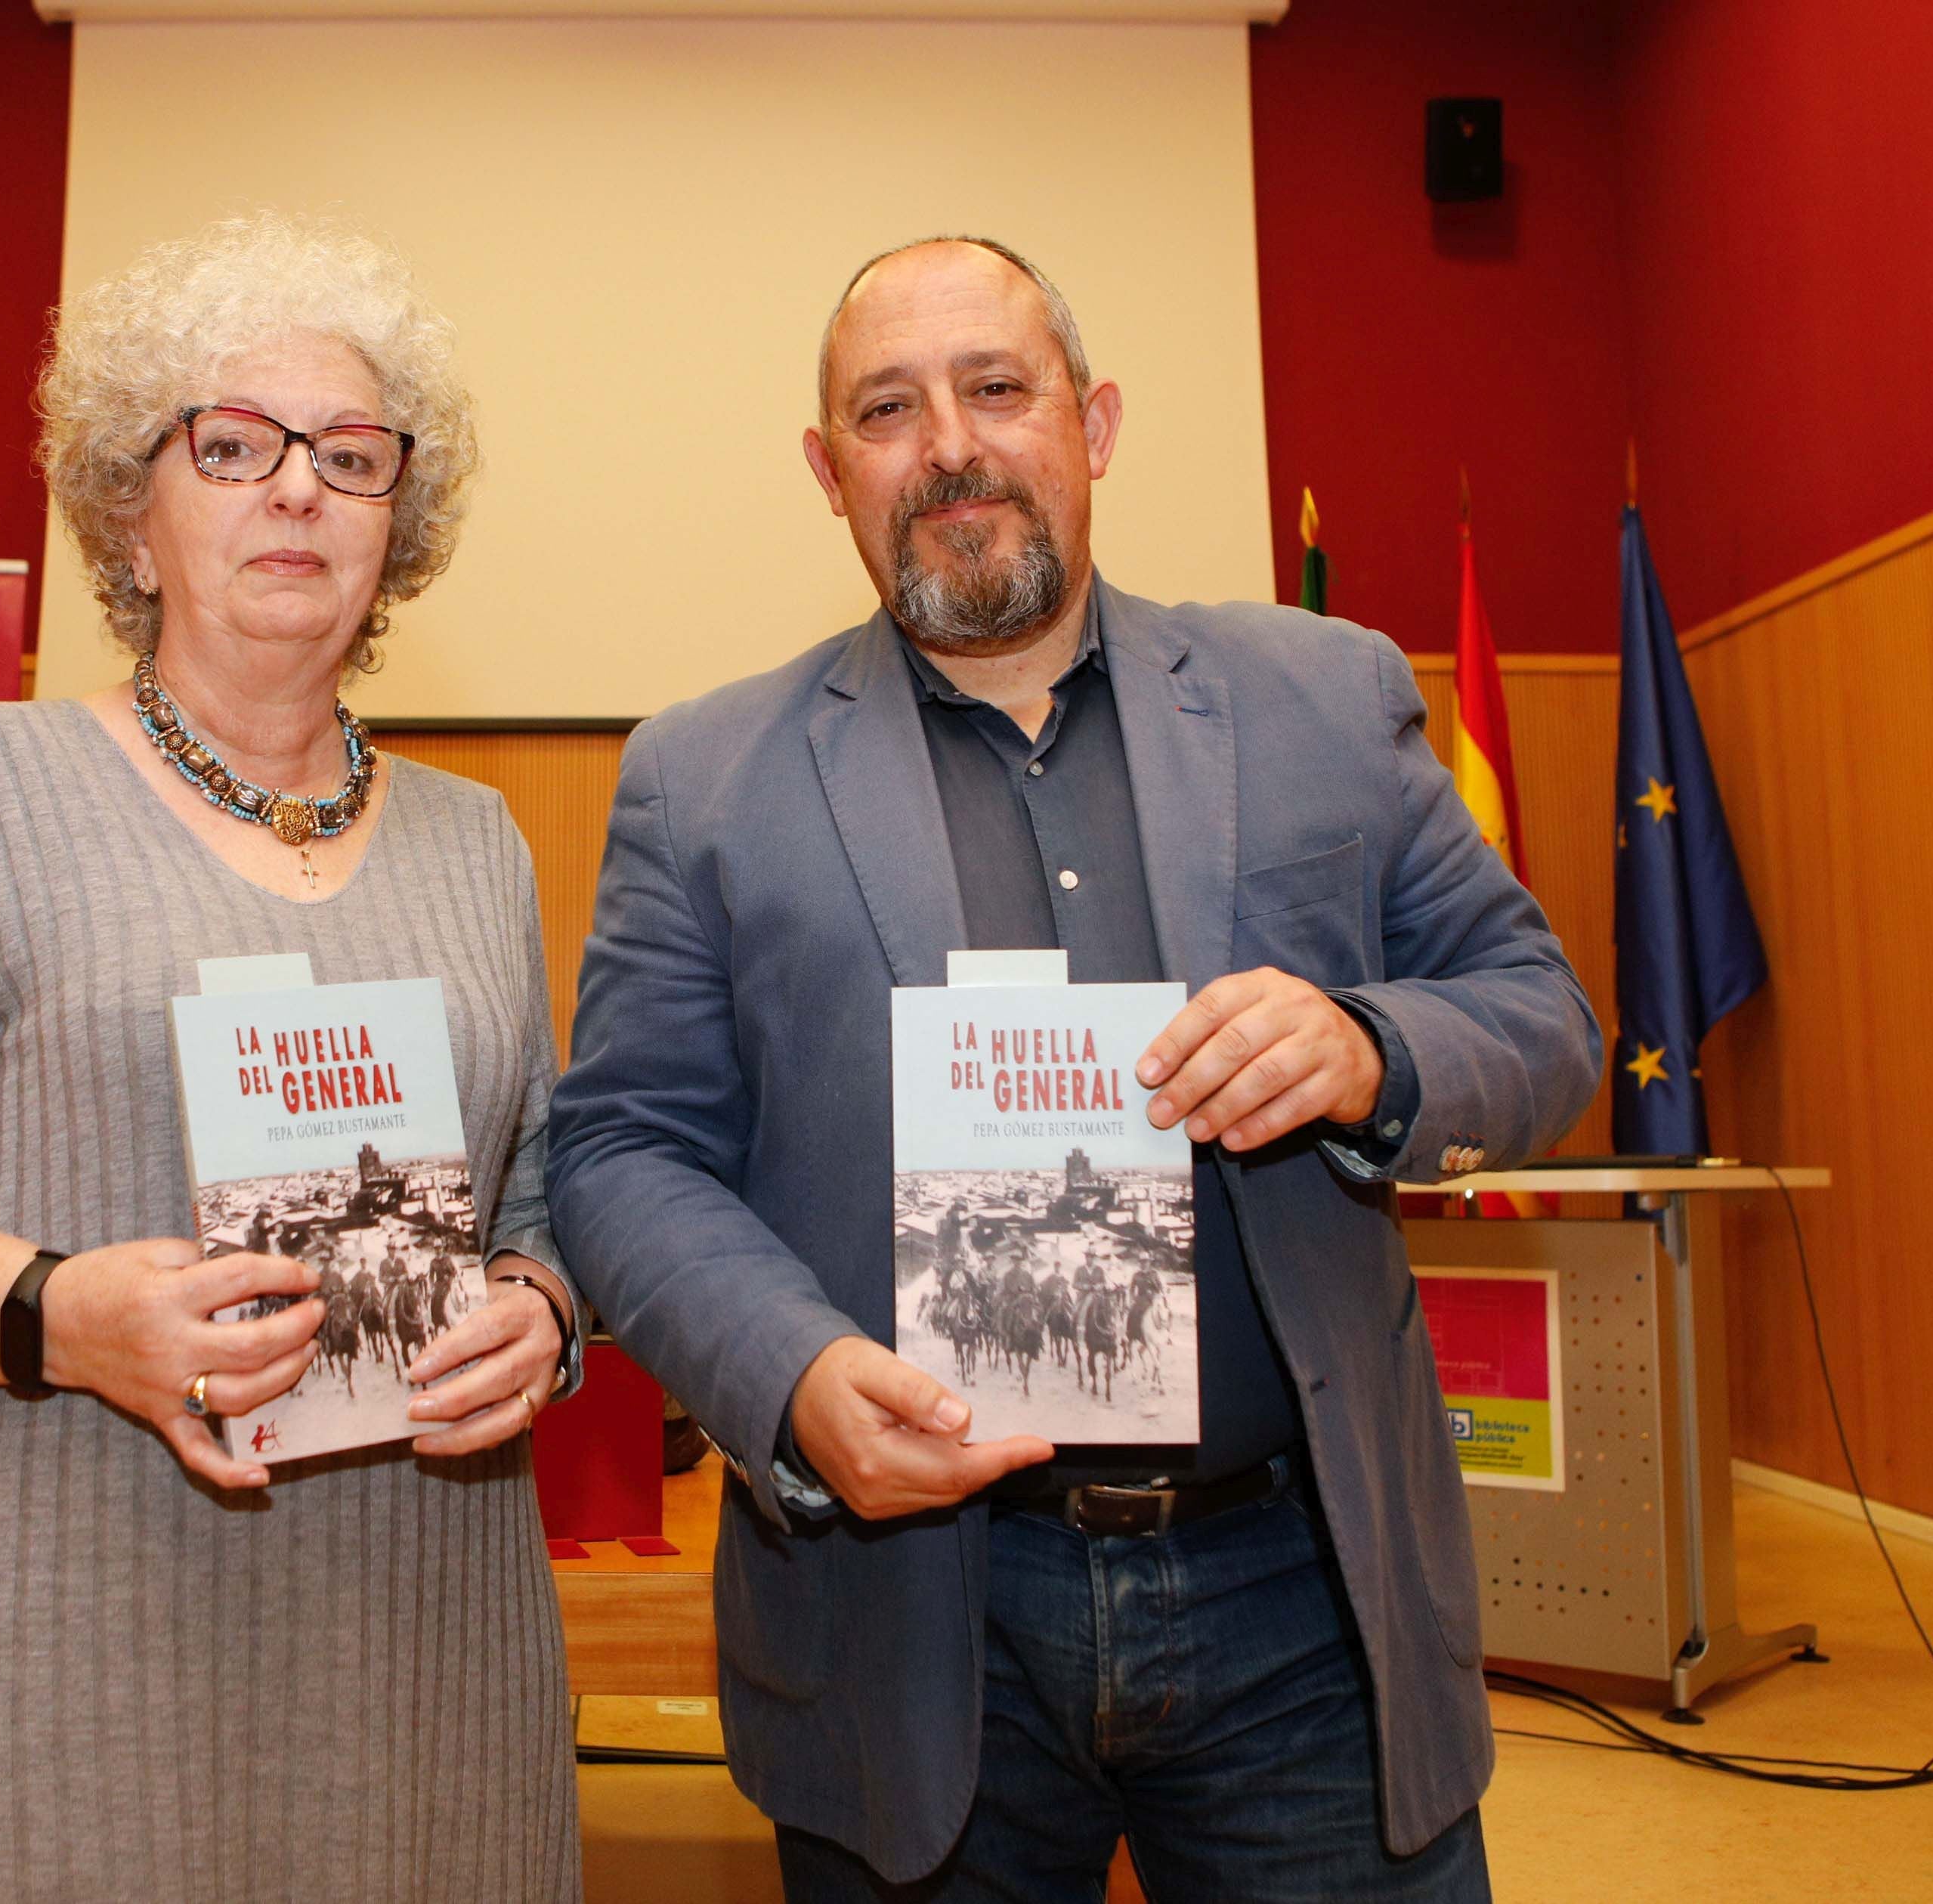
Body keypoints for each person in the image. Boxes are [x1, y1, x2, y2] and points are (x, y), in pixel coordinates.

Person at [547, 237, 1601, 1899]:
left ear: (1091, 424)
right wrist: (788, 1379)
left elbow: (1541, 1015)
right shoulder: (705, 778)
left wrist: (1369, 1047)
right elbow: (617, 1149)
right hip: (911, 1613)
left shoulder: (1322, 698)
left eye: (995, 388)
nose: (949, 445)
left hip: (1302, 1593)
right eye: (887, 410)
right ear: (829, 474)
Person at [0, 213, 583, 1903]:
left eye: (351, 455)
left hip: (419, 1666)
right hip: (44, 1661)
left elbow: (537, 1199)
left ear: (401, 522)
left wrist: (542, 1312)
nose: (297, 489)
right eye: (232, 445)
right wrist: (56, 1314)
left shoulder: (479, 843)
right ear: (131, 504)